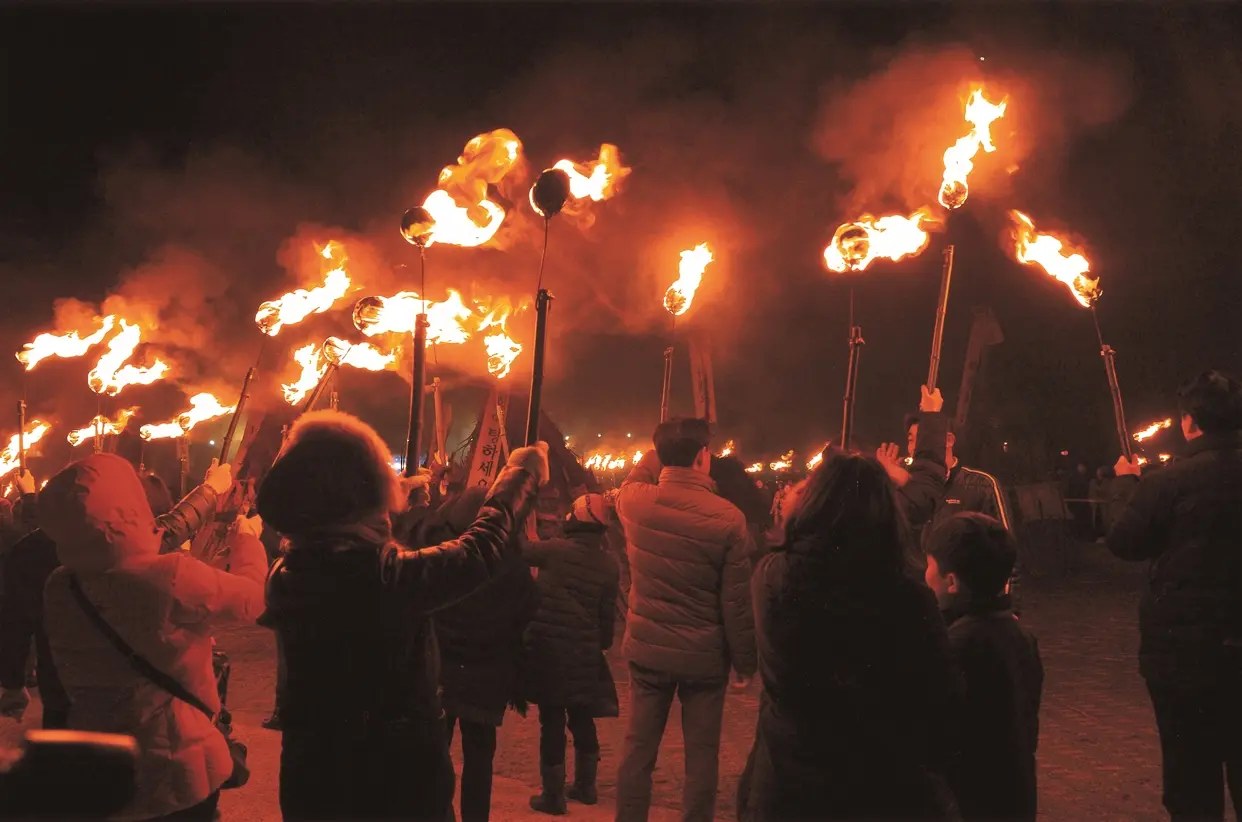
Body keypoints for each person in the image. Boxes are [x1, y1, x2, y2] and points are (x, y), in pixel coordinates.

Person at [256, 410, 548, 822]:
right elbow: (477, 551)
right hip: (388, 785)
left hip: (313, 779)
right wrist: (521, 476)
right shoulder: (374, 580)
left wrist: (395, 498)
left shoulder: (292, 570)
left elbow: (343, 535)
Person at [39, 453, 266, 820]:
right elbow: (253, 601)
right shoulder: (170, 576)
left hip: (103, 762)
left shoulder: (60, 585)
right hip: (175, 766)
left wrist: (208, 491)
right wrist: (247, 542)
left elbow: (132, 549)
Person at [739, 450, 956, 820]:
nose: (794, 492)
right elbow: (938, 694)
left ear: (818, 506)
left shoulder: (775, 576)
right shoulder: (904, 595)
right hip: (878, 781)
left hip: (789, 778)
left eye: (806, 490)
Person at [0, 460, 231, 729]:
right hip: (125, 693)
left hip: (62, 691)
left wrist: (13, 682)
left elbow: (14, 623)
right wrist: (211, 490)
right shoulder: (117, 543)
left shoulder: (27, 552)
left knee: (68, 759)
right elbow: (170, 528)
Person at [1107, 370, 1242, 820]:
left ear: (1190, 422)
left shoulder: (1168, 482)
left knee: (1191, 782)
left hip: (1185, 657)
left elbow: (1125, 542)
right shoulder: (1170, 481)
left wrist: (1128, 485)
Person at [613, 417, 755, 822]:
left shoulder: (635, 501)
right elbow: (737, 604)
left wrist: (651, 456)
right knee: (702, 757)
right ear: (702, 457)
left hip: (648, 650)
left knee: (638, 750)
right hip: (703, 657)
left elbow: (631, 480)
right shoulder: (728, 519)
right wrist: (745, 662)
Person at [925, 513, 1044, 821]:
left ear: (951, 581)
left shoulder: (959, 644)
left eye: (929, 566)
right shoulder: (1018, 634)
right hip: (1015, 792)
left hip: (973, 800)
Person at [431, 487, 539, 822]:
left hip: (442, 673)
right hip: (489, 675)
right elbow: (525, 616)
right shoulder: (512, 564)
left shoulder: (441, 556)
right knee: (480, 761)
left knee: (434, 756)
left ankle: (438, 814)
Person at [523, 493, 620, 815]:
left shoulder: (554, 551)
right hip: (585, 650)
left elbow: (520, 553)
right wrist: (599, 644)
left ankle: (553, 795)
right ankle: (586, 785)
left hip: (549, 649)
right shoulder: (609, 564)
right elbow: (607, 617)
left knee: (551, 719)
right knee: (581, 716)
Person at [875, 386, 950, 544]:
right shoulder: (901, 484)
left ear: (948, 440)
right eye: (910, 439)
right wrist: (892, 483)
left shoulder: (978, 484)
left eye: (921, 440)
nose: (915, 447)